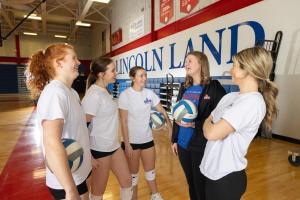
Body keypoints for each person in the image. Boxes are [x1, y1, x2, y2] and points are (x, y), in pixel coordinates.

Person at [200, 46, 278, 200]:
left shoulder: (253, 102)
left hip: (226, 178)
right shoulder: (230, 97)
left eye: (235, 65)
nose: (230, 69)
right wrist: (211, 125)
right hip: (210, 171)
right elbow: (208, 121)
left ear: (247, 71)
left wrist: (212, 126)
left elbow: (210, 132)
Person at [26, 43, 92, 200]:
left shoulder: (72, 93)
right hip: (67, 182)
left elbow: (78, 130)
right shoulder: (55, 93)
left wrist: (90, 158)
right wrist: (69, 190)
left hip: (80, 172)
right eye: (74, 58)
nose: (79, 62)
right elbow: (51, 143)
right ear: (58, 63)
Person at [171, 51, 226, 200]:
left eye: (190, 61)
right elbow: (177, 114)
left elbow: (221, 116)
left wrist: (195, 124)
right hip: (183, 144)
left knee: (201, 185)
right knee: (191, 184)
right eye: (185, 61)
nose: (185, 64)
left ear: (201, 64)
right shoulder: (184, 87)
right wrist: (174, 139)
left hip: (200, 145)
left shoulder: (213, 87)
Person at [81, 57, 132, 200]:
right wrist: (89, 156)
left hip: (113, 145)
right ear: (101, 74)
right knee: (98, 192)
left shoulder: (105, 91)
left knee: (127, 181)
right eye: (113, 70)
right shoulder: (93, 95)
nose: (116, 73)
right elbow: (83, 127)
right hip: (99, 149)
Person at [118, 66, 172, 200]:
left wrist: (170, 125)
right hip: (132, 142)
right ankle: (133, 197)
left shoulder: (149, 93)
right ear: (132, 77)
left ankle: (155, 195)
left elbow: (162, 110)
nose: (144, 78)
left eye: (145, 75)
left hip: (147, 139)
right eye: (141, 75)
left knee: (151, 171)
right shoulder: (125, 95)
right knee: (133, 175)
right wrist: (128, 144)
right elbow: (123, 122)